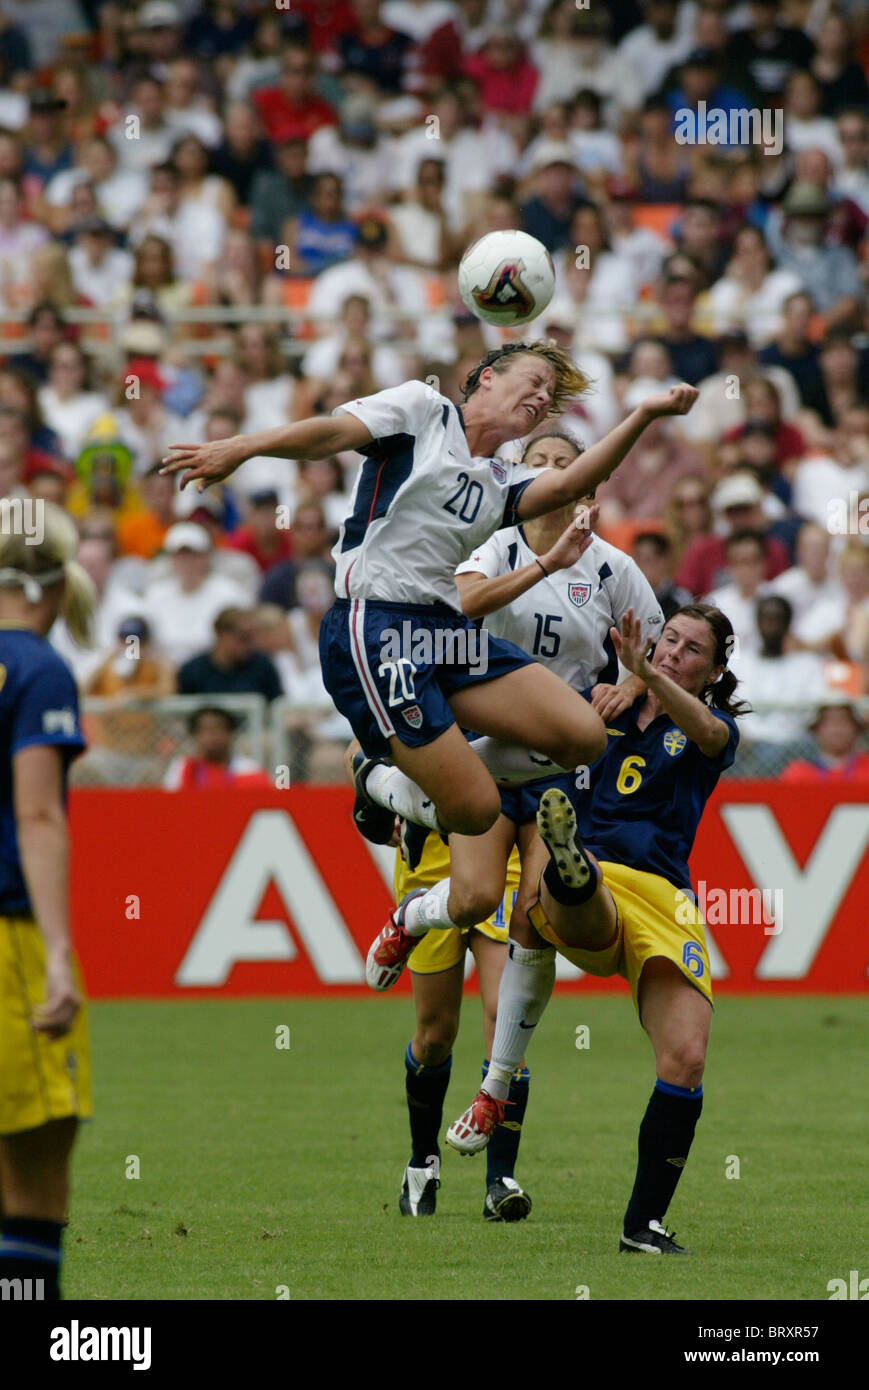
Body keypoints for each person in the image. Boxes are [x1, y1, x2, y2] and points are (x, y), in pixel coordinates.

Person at [161, 343, 698, 872]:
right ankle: (376, 780)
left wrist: (645, 413)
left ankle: (397, 779)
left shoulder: (502, 477)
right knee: (476, 810)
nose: (541, 395)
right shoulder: (424, 409)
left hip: (445, 632)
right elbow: (330, 433)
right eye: (533, 380)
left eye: (550, 394)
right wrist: (245, 447)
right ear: (486, 376)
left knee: (584, 737)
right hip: (374, 624)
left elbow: (574, 483)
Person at [371, 428, 664, 1221]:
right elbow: (457, 605)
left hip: (558, 778)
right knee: (461, 925)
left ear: (589, 483)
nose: (553, 475)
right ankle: (411, 913)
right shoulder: (495, 545)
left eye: (567, 463)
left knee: (533, 931)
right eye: (538, 463)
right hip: (478, 766)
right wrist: (543, 565)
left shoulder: (614, 568)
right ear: (517, 477)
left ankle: (496, 1129)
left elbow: (654, 664)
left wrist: (624, 689)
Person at [447, 604, 747, 1255]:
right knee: (576, 890)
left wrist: (645, 676)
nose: (673, 651)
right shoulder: (587, 712)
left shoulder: (710, 729)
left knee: (686, 1059)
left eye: (691, 649)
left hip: (665, 898)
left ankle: (641, 1228)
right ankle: (567, 866)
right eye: (668, 638)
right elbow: (491, 743)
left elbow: (705, 730)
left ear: (714, 671)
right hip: (598, 883)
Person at [0, 502, 96, 1299]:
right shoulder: (37, 668)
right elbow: (36, 814)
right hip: (9, 940)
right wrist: (59, 954)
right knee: (33, 1176)